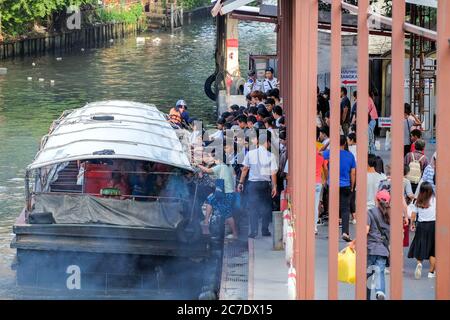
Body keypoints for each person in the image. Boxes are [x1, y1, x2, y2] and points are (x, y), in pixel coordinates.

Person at [238, 131, 278, 238]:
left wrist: (240, 182)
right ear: (267, 142)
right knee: (266, 208)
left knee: (253, 208)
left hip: (253, 185)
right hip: (265, 184)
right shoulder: (271, 155)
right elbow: (273, 172)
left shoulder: (250, 154)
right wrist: (274, 186)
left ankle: (254, 232)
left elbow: (245, 169)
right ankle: (265, 230)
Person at [198, 151, 238, 240]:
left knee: (227, 214)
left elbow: (208, 171)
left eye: (213, 158)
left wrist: (198, 165)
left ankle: (235, 234)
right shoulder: (228, 166)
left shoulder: (221, 166)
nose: (213, 160)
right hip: (227, 192)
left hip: (226, 193)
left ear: (218, 159)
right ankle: (206, 222)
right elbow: (231, 176)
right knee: (210, 199)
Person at [323, 135, 356, 242]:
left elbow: (319, 153)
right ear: (345, 143)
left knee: (332, 208)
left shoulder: (330, 153)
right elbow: (353, 172)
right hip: (345, 185)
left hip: (332, 184)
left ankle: (332, 232)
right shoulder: (350, 156)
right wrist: (352, 185)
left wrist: (328, 144)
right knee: (345, 209)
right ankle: (345, 232)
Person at [365, 190, 391, 300]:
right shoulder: (390, 215)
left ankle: (366, 296)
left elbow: (365, 231)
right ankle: (380, 292)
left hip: (370, 249)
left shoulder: (370, 213)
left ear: (376, 199)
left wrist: (354, 242)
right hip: (383, 250)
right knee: (379, 272)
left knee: (367, 276)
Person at [408, 182, 436, 279]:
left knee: (421, 246)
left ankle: (419, 264)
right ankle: (431, 272)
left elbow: (413, 214)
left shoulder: (417, 201)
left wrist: (412, 224)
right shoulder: (435, 200)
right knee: (433, 250)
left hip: (421, 226)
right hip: (433, 226)